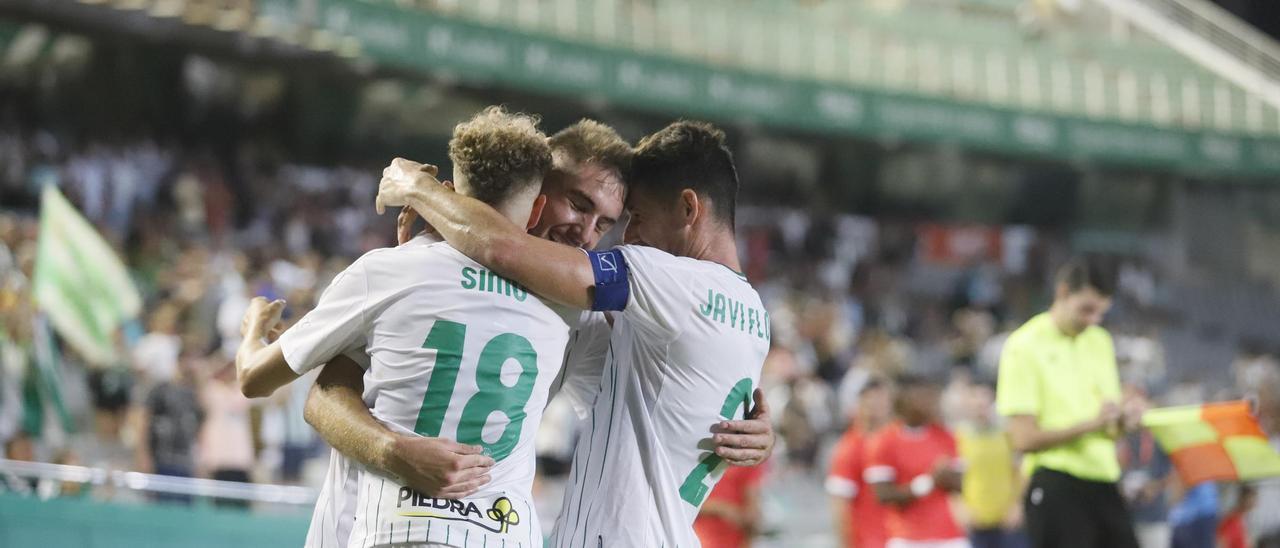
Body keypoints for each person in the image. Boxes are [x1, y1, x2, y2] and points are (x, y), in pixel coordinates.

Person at [284, 119, 775, 547]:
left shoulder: (584, 313)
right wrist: (391, 451)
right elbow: (323, 397)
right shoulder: (424, 264)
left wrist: (422, 190)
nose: (594, 235)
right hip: (364, 528)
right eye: (578, 204)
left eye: (612, 221)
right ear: (535, 189)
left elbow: (502, 248)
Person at [238, 107, 573, 544]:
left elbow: (253, 379)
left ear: (448, 192)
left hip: (399, 528)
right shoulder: (561, 305)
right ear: (537, 212)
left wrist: (251, 331)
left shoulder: (385, 274)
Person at [995, 258, 1140, 548]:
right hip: (1055, 482)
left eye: (1101, 312)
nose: (1093, 320)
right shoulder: (1024, 345)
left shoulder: (1099, 341)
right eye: (1086, 309)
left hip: (1104, 480)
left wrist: (1125, 419)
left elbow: (1108, 424)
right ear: (1062, 293)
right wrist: (1093, 424)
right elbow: (1022, 438)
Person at [865, 375, 968, 548]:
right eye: (923, 397)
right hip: (908, 538)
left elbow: (960, 485)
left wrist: (946, 476)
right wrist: (930, 481)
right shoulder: (885, 441)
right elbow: (883, 495)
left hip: (949, 536)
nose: (929, 403)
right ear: (904, 400)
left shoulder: (945, 436)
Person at [957, 379, 1025, 548]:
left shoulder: (1007, 436)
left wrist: (1017, 505)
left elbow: (1020, 471)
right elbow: (952, 480)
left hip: (1007, 522)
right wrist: (960, 508)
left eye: (985, 399)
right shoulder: (958, 438)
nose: (981, 404)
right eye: (975, 399)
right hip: (974, 523)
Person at [827, 376, 893, 548]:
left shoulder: (898, 442)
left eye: (881, 400)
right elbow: (840, 505)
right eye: (870, 400)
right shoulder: (850, 448)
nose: (876, 406)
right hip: (867, 541)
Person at [693, 462, 768, 547]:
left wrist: (751, 516)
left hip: (733, 541)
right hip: (701, 539)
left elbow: (752, 499)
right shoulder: (700, 461)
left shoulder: (749, 463)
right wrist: (722, 509)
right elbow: (684, 503)